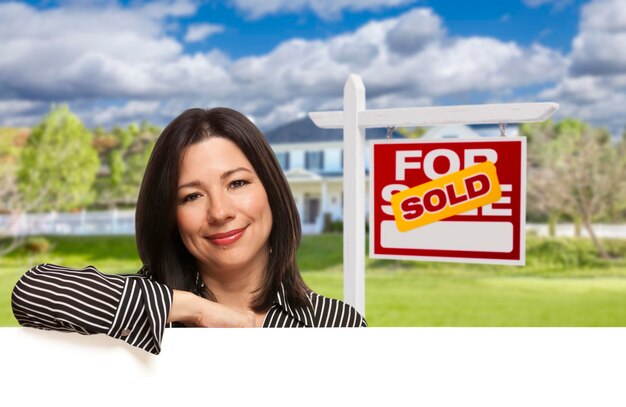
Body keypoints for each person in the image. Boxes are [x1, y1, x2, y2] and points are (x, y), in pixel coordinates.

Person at [11, 107, 367, 355]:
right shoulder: (146, 307)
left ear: (271, 191)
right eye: (191, 196)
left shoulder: (336, 324)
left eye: (237, 183)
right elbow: (33, 293)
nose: (220, 212)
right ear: (169, 214)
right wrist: (196, 311)